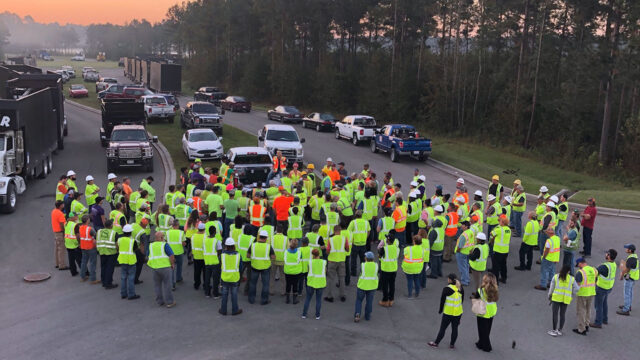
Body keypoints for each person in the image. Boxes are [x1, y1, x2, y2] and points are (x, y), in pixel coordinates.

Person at [429, 274, 464, 349]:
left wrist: (440, 310)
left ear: (450, 280)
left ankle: (436, 343)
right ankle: (452, 345)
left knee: (443, 328)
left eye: (448, 279)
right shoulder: (460, 288)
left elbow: (442, 301)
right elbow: (462, 300)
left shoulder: (446, 289)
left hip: (448, 313)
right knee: (455, 329)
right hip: (458, 313)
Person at [547, 265, 579, 336]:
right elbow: (577, 289)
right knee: (562, 314)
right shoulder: (572, 279)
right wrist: (572, 293)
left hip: (556, 298)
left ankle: (554, 330)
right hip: (565, 299)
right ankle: (560, 330)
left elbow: (551, 288)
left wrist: (549, 295)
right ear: (569, 271)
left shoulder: (556, 277)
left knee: (555, 314)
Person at [147, 232, 176, 307]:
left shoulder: (151, 245)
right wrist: (172, 264)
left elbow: (149, 255)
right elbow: (171, 255)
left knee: (157, 285)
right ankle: (169, 302)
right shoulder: (164, 245)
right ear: (162, 238)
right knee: (167, 285)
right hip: (165, 267)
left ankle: (160, 301)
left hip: (155, 268)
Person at [591, 249, 617, 328]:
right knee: (604, 303)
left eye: (607, 254)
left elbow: (595, 273)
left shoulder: (604, 266)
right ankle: (604, 319)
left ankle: (598, 322)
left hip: (601, 288)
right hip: (608, 287)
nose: (606, 254)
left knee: (598, 305)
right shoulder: (614, 264)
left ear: (609, 256)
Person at [472, 273, 499, 352]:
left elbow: (476, 297)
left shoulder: (481, 290)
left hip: (482, 310)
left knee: (481, 329)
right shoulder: (495, 289)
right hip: (492, 310)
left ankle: (486, 346)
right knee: (487, 328)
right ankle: (481, 342)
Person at [247, 230, 275, 305]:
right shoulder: (268, 246)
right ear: (266, 238)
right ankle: (264, 300)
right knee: (265, 284)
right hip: (265, 268)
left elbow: (248, 255)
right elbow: (273, 257)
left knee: (253, 283)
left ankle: (251, 299)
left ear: (259, 237)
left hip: (254, 266)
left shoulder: (253, 245)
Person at [325, 225, 349, 303]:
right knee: (341, 278)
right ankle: (343, 296)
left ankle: (330, 296)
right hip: (341, 260)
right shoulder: (344, 238)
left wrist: (328, 253)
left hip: (332, 261)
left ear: (334, 231)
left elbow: (328, 250)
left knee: (330, 279)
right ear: (340, 230)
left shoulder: (331, 239)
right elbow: (347, 249)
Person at [573, 257, 597, 335]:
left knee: (581, 311)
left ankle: (581, 329)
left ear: (580, 263)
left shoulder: (580, 272)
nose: (578, 266)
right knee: (588, 309)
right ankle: (587, 325)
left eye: (578, 264)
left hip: (582, 293)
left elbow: (577, 284)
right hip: (591, 292)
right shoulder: (593, 270)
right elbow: (596, 280)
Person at [118, 224, 142, 300]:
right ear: (131, 232)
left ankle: (123, 294)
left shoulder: (119, 240)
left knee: (123, 278)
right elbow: (136, 250)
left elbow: (117, 247)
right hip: (131, 261)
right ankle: (131, 294)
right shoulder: (133, 241)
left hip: (122, 260)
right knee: (131, 278)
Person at [219, 238, 243, 316]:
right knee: (234, 294)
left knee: (224, 294)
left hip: (225, 278)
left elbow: (220, 265)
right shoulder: (238, 255)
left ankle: (223, 310)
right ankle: (235, 310)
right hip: (234, 278)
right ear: (234, 246)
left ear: (226, 246)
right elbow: (241, 267)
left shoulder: (222, 255)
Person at [354, 251, 378, 322]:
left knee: (359, 300)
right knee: (369, 302)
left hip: (362, 286)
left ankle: (357, 314)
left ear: (366, 258)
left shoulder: (363, 265)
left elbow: (361, 272)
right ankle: (367, 316)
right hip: (372, 286)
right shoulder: (376, 265)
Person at [302, 248, 326, 319]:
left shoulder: (310, 262)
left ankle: (304, 314)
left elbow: (309, 271)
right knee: (318, 300)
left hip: (311, 282)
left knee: (308, 299)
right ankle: (317, 315)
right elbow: (325, 271)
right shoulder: (324, 262)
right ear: (319, 254)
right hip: (320, 283)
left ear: (312, 255)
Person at [378, 232, 399, 307]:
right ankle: (391, 300)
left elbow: (379, 257)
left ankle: (385, 300)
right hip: (393, 269)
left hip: (385, 269)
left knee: (385, 286)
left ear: (388, 240)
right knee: (392, 285)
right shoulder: (397, 249)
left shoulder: (384, 249)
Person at [96, 219, 118, 289]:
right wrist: (118, 250)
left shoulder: (99, 231)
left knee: (103, 267)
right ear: (111, 225)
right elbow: (117, 244)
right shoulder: (114, 233)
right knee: (110, 268)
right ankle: (108, 283)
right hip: (111, 252)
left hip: (102, 251)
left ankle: (104, 281)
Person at [617, 244, 637, 316]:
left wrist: (621, 275)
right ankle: (628, 305)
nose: (626, 249)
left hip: (629, 278)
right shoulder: (634, 256)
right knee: (630, 292)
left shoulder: (631, 258)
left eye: (627, 248)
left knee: (627, 293)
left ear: (630, 250)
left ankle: (626, 309)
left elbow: (627, 269)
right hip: (633, 278)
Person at [489, 215, 511, 284]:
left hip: (498, 250)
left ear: (503, 222)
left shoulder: (499, 229)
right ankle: (504, 278)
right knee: (503, 265)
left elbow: (491, 234)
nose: (499, 221)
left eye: (500, 220)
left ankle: (496, 281)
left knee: (496, 267)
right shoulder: (508, 229)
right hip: (505, 250)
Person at [78, 214, 99, 284]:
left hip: (83, 247)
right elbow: (96, 236)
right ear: (87, 220)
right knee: (92, 263)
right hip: (91, 248)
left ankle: (83, 277)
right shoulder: (90, 229)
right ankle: (93, 279)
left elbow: (78, 237)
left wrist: (79, 243)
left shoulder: (80, 228)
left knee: (84, 262)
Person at [203, 225, 222, 299]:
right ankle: (215, 294)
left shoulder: (204, 240)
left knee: (207, 278)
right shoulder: (217, 241)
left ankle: (207, 293)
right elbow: (219, 251)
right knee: (215, 279)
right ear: (214, 232)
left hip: (207, 261)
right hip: (215, 262)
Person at [166, 220, 186, 290]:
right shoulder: (181, 232)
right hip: (179, 252)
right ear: (178, 225)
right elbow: (183, 243)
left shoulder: (167, 232)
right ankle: (178, 278)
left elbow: (165, 241)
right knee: (179, 266)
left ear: (172, 225)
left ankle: (172, 284)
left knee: (172, 268)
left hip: (170, 253)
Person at [455, 221, 474, 286]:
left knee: (462, 267)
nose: (461, 226)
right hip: (467, 252)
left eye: (463, 225)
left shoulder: (464, 235)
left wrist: (457, 250)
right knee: (466, 266)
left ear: (466, 226)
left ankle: (464, 281)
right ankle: (467, 279)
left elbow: (460, 246)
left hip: (461, 252)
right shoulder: (471, 232)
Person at [283, 238, 302, 304]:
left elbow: (284, 259)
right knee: (295, 285)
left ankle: (287, 299)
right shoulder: (299, 252)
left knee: (288, 284)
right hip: (296, 272)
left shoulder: (286, 252)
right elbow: (300, 260)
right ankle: (294, 300)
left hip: (287, 271)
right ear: (297, 245)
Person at [51, 200, 68, 270]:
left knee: (57, 248)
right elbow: (62, 225)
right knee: (61, 249)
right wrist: (64, 233)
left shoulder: (53, 211)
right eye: (63, 204)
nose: (63, 205)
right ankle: (62, 265)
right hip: (60, 233)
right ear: (61, 206)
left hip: (55, 232)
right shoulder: (60, 214)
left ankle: (57, 263)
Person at [64, 212, 82, 276]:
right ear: (73, 217)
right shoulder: (75, 225)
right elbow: (77, 235)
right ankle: (85, 272)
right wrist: (79, 243)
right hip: (74, 244)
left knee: (71, 259)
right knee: (79, 259)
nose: (77, 217)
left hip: (68, 243)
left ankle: (73, 272)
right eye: (76, 216)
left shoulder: (66, 223)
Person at [191, 223, 206, 290]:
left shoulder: (193, 236)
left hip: (196, 256)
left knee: (197, 272)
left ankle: (196, 284)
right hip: (204, 257)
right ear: (204, 229)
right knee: (205, 273)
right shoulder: (205, 237)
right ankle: (205, 284)